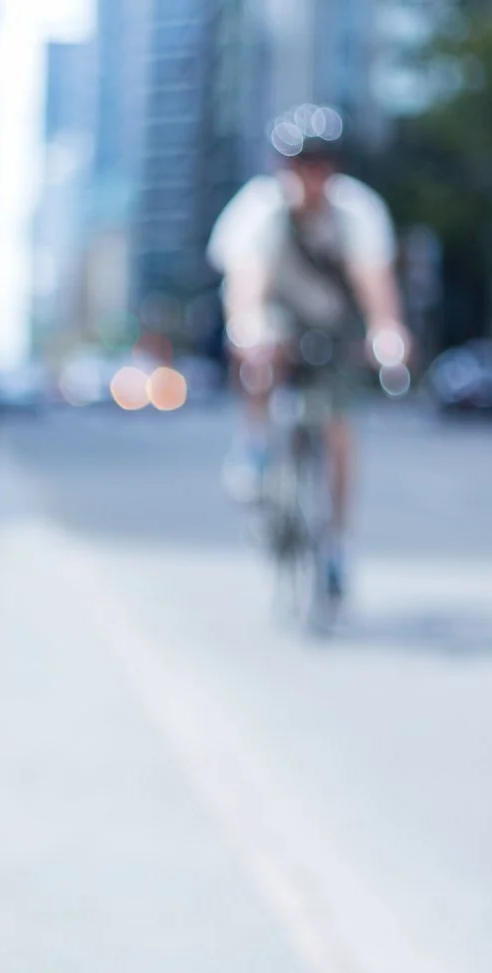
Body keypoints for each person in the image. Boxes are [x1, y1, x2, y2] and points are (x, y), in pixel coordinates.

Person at [207, 105, 410, 604]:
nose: (311, 175)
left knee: (340, 428)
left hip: (333, 326)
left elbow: (375, 286)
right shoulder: (258, 209)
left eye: (320, 164)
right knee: (260, 345)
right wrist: (248, 328)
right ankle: (255, 445)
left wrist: (388, 335)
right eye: (299, 163)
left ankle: (336, 543)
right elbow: (247, 284)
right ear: (282, 166)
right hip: (277, 318)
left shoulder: (358, 211)